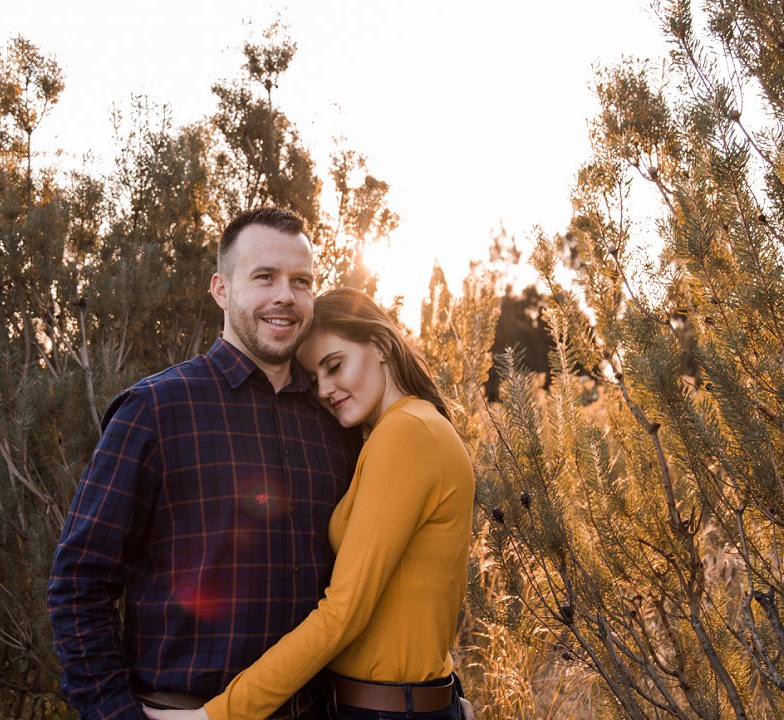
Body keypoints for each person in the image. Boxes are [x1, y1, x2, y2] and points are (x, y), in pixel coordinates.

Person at [47, 208, 362, 720]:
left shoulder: (336, 424)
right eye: (264, 277)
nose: (285, 295)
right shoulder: (155, 410)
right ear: (221, 289)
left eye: (301, 281)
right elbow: (80, 581)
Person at [145, 287, 476, 720]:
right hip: (397, 704)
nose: (325, 388)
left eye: (334, 365)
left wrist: (215, 716)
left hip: (387, 710)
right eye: (315, 376)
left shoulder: (406, 434)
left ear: (379, 345)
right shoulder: (408, 428)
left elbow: (343, 613)